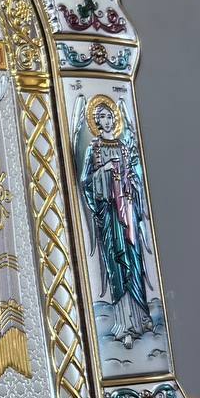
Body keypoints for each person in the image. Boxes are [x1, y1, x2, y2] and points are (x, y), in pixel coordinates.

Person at [79, 99, 154, 349]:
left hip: (128, 212)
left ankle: (141, 317)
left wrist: (131, 179)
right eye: (102, 117)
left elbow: (136, 176)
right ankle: (124, 326)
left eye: (110, 116)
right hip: (111, 214)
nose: (107, 120)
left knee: (135, 261)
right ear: (97, 122)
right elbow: (86, 182)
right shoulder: (94, 149)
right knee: (118, 264)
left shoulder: (123, 146)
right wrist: (105, 171)